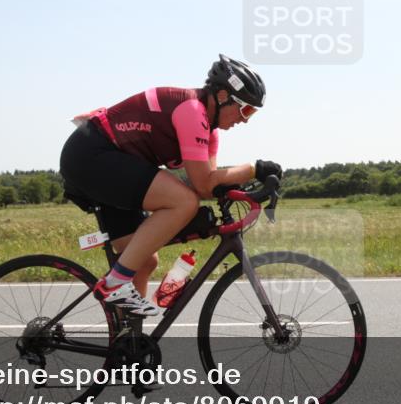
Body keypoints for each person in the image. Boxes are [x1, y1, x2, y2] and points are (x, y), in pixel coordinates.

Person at [60, 55, 282, 316]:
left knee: (143, 261)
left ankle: (125, 346)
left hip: (110, 163)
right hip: (92, 155)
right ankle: (114, 284)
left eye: (252, 113)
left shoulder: (210, 132)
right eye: (246, 109)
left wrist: (243, 185)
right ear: (223, 96)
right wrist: (254, 169)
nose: (245, 119)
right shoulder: (192, 111)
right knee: (184, 202)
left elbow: (207, 185)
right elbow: (202, 183)